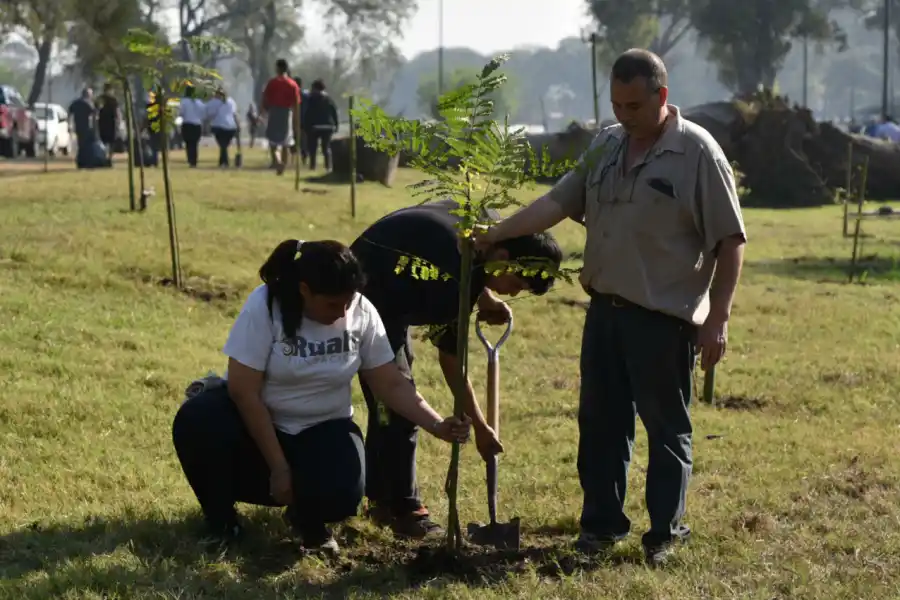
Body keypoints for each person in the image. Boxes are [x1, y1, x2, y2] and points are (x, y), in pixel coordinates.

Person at [474, 48, 747, 566]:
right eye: (617, 104)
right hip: (604, 311)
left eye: (635, 106)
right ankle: (601, 525)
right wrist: (497, 232)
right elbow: (557, 203)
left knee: (666, 429)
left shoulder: (697, 153)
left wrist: (720, 317)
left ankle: (666, 532)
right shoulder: (605, 144)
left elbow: (730, 240)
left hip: (663, 318)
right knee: (600, 425)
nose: (625, 115)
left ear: (661, 97)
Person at [172, 240, 472, 555]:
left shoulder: (360, 310)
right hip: (257, 425)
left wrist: (437, 425)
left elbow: (390, 383)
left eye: (348, 302)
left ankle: (307, 518)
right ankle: (222, 521)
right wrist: (279, 467)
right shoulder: (265, 306)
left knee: (344, 494)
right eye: (332, 304)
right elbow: (243, 391)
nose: (342, 312)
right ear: (304, 289)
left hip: (323, 427)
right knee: (198, 419)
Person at [349, 198, 564, 538]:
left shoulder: (488, 227)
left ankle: (379, 498)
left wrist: (484, 296)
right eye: (517, 286)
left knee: (390, 402)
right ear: (503, 259)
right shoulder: (452, 283)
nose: (513, 293)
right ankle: (406, 508)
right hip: (363, 292)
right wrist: (480, 426)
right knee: (398, 400)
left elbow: (468, 266)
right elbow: (451, 362)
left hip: (395, 272)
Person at [261, 58, 301, 175]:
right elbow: (296, 103)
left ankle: (277, 161)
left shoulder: (272, 83)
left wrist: (263, 111)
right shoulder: (292, 84)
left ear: (277, 68)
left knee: (273, 140)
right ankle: (283, 164)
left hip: (274, 111)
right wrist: (296, 120)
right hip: (287, 112)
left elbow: (265, 98)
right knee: (286, 141)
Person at [302, 79, 339, 171]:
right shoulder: (329, 99)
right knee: (326, 148)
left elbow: (308, 113)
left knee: (313, 148)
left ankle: (312, 165)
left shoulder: (311, 99)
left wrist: (305, 126)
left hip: (314, 126)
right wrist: (336, 125)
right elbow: (334, 113)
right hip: (328, 126)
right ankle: (328, 166)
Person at [204, 87, 239, 168]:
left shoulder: (213, 102)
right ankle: (223, 161)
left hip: (218, 126)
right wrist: (238, 124)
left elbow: (209, 114)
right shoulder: (231, 101)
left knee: (223, 145)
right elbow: (234, 114)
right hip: (231, 126)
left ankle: (224, 162)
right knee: (224, 145)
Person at [179, 84, 205, 167]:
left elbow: (181, 113)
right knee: (195, 144)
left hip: (187, 124)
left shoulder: (184, 102)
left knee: (188, 143)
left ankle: (190, 159)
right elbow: (203, 113)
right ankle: (194, 160)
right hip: (197, 125)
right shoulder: (200, 102)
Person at [97, 83, 120, 160]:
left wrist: (118, 121)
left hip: (111, 122)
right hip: (103, 122)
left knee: (111, 141)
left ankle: (109, 157)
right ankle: (105, 155)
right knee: (104, 140)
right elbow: (97, 109)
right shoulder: (101, 99)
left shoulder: (113, 100)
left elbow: (117, 111)